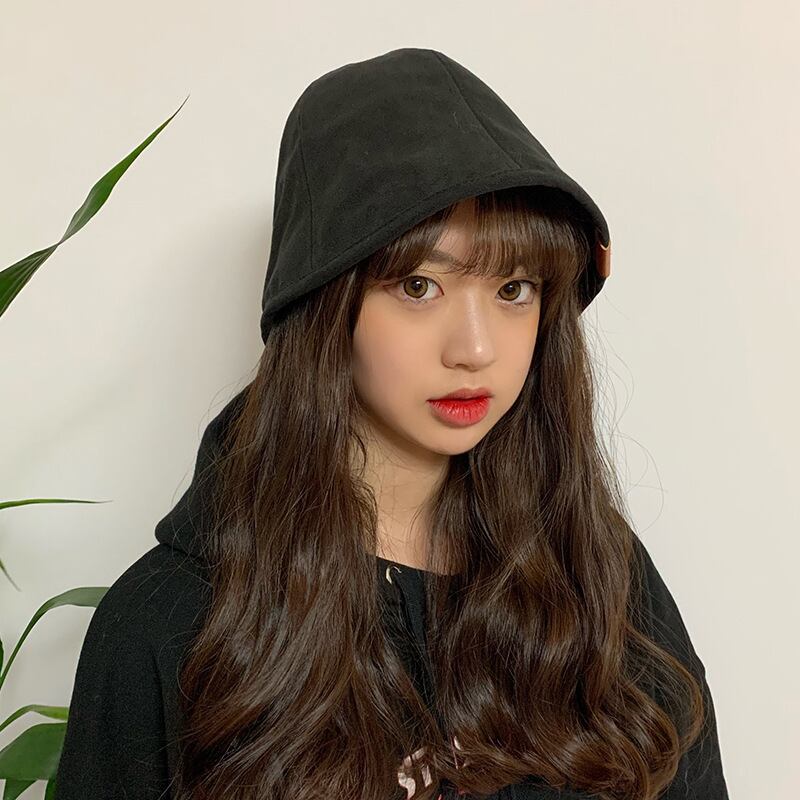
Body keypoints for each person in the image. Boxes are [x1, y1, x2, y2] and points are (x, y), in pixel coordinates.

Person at [54, 47, 729, 800]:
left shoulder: (599, 578)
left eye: (514, 289)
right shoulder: (170, 622)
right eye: (419, 286)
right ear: (326, 308)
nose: (475, 349)